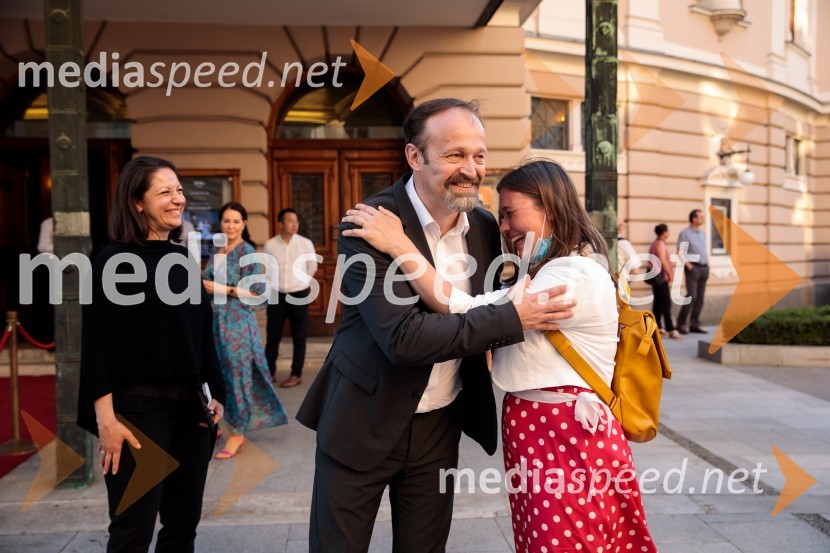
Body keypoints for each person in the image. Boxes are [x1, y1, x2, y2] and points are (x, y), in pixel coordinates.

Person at [295, 99, 575, 553]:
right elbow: (403, 338)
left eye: (479, 155)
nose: (471, 169)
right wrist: (511, 319)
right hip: (362, 419)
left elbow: (491, 298)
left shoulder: (487, 227)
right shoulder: (369, 224)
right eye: (454, 155)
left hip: (439, 426)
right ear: (414, 156)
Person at [345, 159, 658, 553]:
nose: (504, 228)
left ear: (549, 206)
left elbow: (461, 306)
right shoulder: (552, 267)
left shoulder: (571, 274)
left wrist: (398, 244)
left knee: (562, 543)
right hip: (548, 435)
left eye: (510, 213)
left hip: (563, 436)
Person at [77, 156, 226, 553]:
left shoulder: (180, 258)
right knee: (132, 533)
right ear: (137, 202)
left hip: (190, 415)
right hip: (137, 416)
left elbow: (201, 333)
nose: (177, 199)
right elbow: (97, 347)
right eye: (165, 192)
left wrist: (217, 396)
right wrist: (106, 421)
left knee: (182, 529)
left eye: (178, 190)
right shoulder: (112, 262)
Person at [203, 202, 288, 459]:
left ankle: (238, 432)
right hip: (215, 323)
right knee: (218, 376)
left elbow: (259, 295)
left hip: (238, 325)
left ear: (244, 224)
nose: (231, 226)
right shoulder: (218, 250)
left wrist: (223, 289)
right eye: (226, 221)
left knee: (238, 377)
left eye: (236, 221)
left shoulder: (248, 252)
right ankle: (222, 422)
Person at [263, 208, 318, 387]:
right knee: (273, 336)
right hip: (276, 294)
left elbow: (312, 266)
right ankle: (269, 372)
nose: (294, 224)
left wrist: (303, 282)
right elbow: (266, 269)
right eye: (289, 221)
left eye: (296, 221)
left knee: (299, 336)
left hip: (298, 294)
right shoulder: (270, 244)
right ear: (281, 224)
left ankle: (296, 374)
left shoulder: (305, 243)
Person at [676, 209, 709, 334]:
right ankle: (680, 324)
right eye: (700, 217)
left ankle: (694, 324)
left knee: (700, 298)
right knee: (691, 296)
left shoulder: (702, 233)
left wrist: (707, 266)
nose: (703, 219)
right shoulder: (685, 233)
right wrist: (689, 267)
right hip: (693, 268)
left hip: (704, 268)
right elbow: (680, 252)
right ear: (693, 219)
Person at [648, 224, 682, 339]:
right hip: (661, 278)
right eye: (667, 231)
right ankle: (671, 329)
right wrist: (670, 273)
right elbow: (663, 260)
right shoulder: (660, 244)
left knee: (658, 304)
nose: (669, 233)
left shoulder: (654, 243)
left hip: (656, 277)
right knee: (666, 303)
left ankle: (657, 327)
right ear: (664, 232)